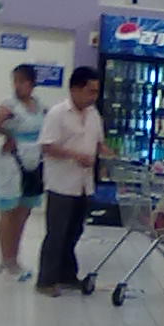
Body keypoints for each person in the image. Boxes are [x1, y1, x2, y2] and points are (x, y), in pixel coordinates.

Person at [36, 65, 108, 298]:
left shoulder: (94, 115)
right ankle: (46, 280)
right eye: (90, 91)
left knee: (74, 232)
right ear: (75, 89)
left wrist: (108, 155)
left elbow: (99, 143)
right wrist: (76, 156)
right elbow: (47, 146)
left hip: (84, 185)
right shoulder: (57, 113)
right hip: (61, 184)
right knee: (56, 234)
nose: (94, 96)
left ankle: (66, 275)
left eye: (96, 92)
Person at [0, 62, 46, 281]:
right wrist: (9, 135)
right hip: (12, 161)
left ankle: (15, 257)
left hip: (34, 160)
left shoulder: (39, 106)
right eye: (15, 81)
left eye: (22, 81)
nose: (18, 86)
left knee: (23, 212)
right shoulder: (10, 104)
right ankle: (6, 259)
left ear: (32, 83)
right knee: (8, 211)